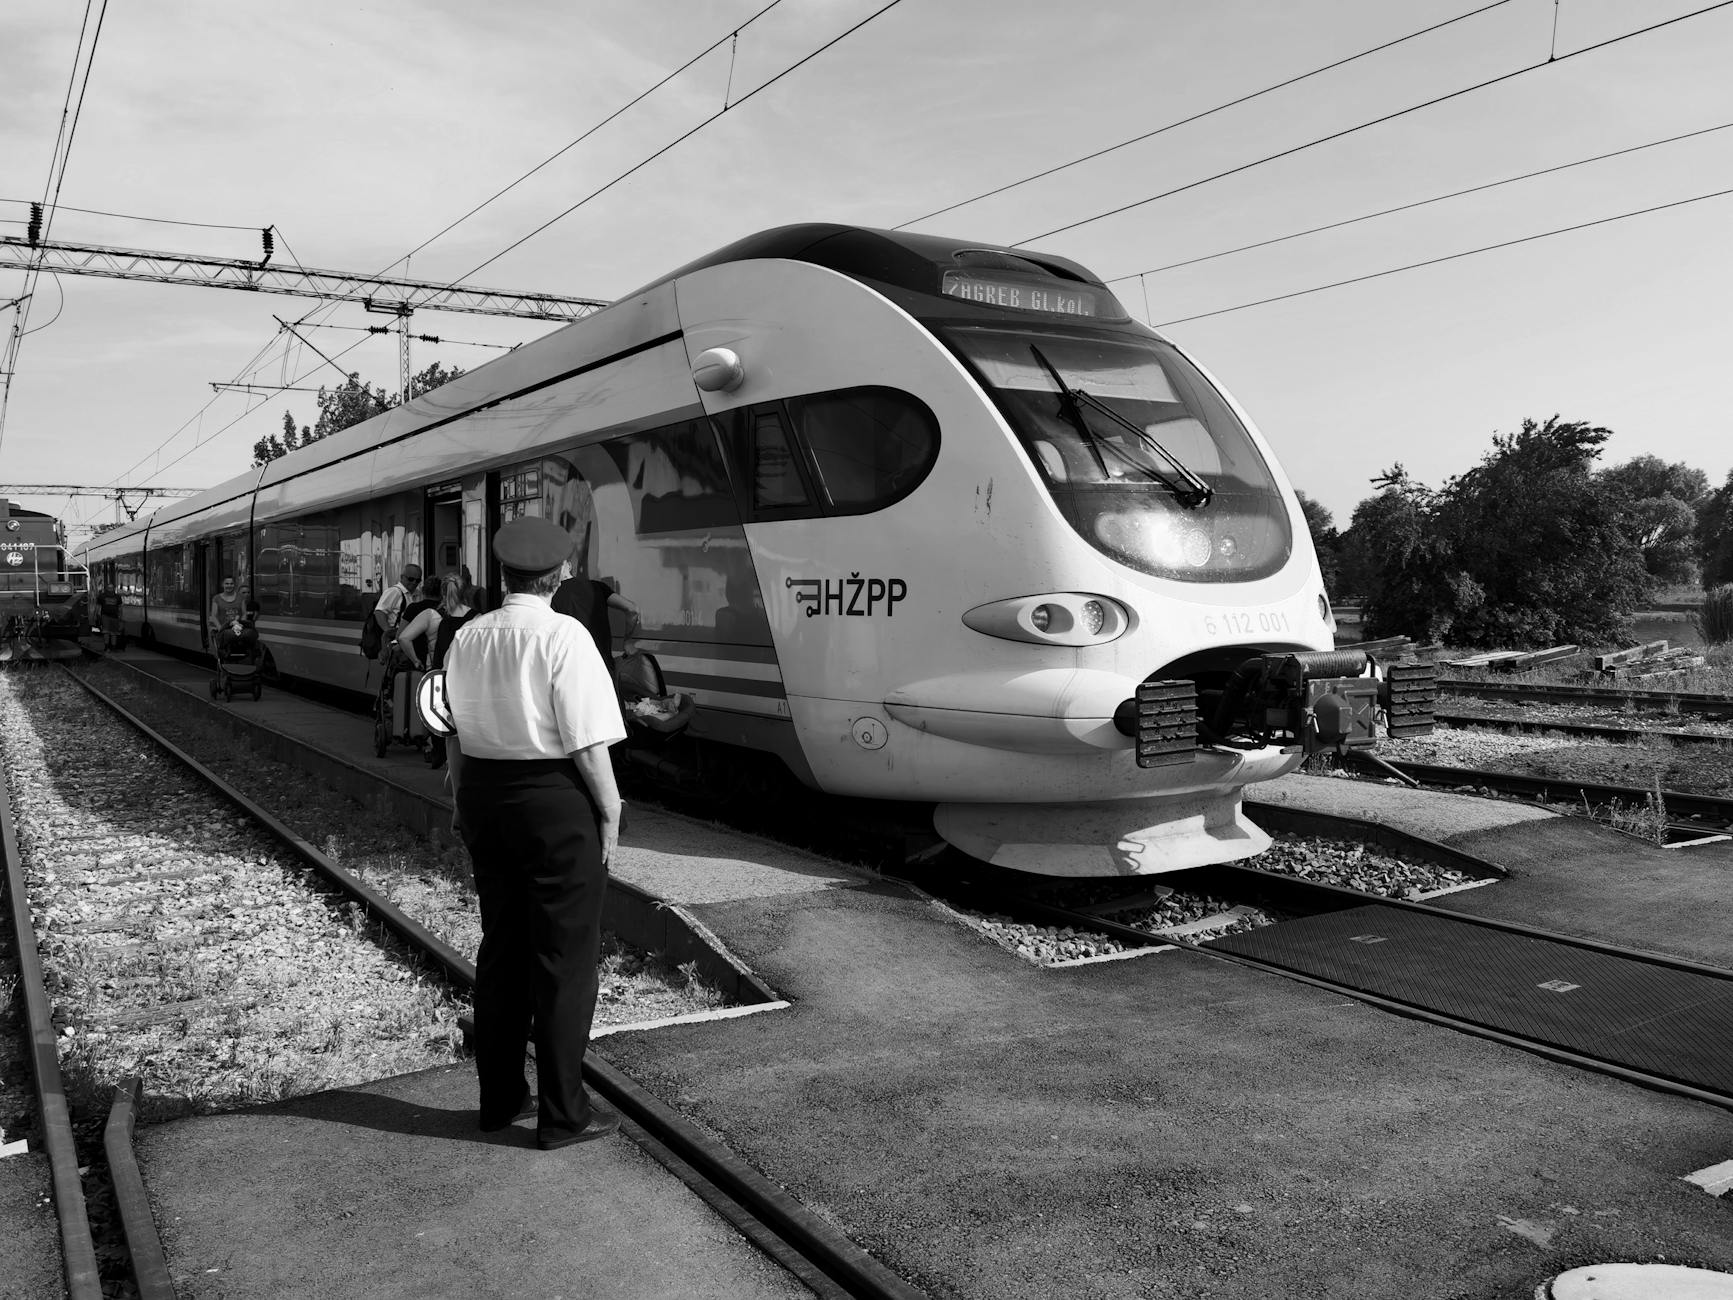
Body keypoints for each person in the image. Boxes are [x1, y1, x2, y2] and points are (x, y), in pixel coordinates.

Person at [443, 518, 626, 1150]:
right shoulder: (565, 635)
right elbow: (588, 741)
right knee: (562, 959)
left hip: (486, 796)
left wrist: (463, 801)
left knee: (501, 950)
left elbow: (455, 734)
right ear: (560, 574)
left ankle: (499, 1100)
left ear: (501, 573)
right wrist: (610, 811)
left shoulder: (467, 636)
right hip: (554, 803)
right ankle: (563, 1116)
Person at [399, 574, 478, 770]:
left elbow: (404, 638)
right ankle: (461, 758)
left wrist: (416, 660)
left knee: (439, 718)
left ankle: (439, 755)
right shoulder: (476, 617)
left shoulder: (430, 615)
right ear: (465, 592)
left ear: (442, 592)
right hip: (464, 677)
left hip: (436, 674)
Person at [551, 565, 638, 686]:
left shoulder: (550, 597)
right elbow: (632, 609)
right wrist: (627, 642)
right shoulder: (597, 587)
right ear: (569, 566)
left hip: (573, 676)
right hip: (605, 670)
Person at [373, 563, 422, 662]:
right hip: (396, 641)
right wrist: (389, 633)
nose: (414, 583)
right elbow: (379, 612)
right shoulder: (394, 592)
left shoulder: (418, 594)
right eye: (411, 579)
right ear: (402, 577)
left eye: (418, 580)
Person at [209, 576, 258, 661]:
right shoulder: (216, 598)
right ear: (222, 585)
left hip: (237, 628)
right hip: (224, 629)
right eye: (227, 583)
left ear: (234, 585)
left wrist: (240, 624)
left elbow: (243, 613)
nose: (229, 585)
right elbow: (214, 616)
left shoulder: (240, 598)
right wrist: (221, 628)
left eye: (231, 583)